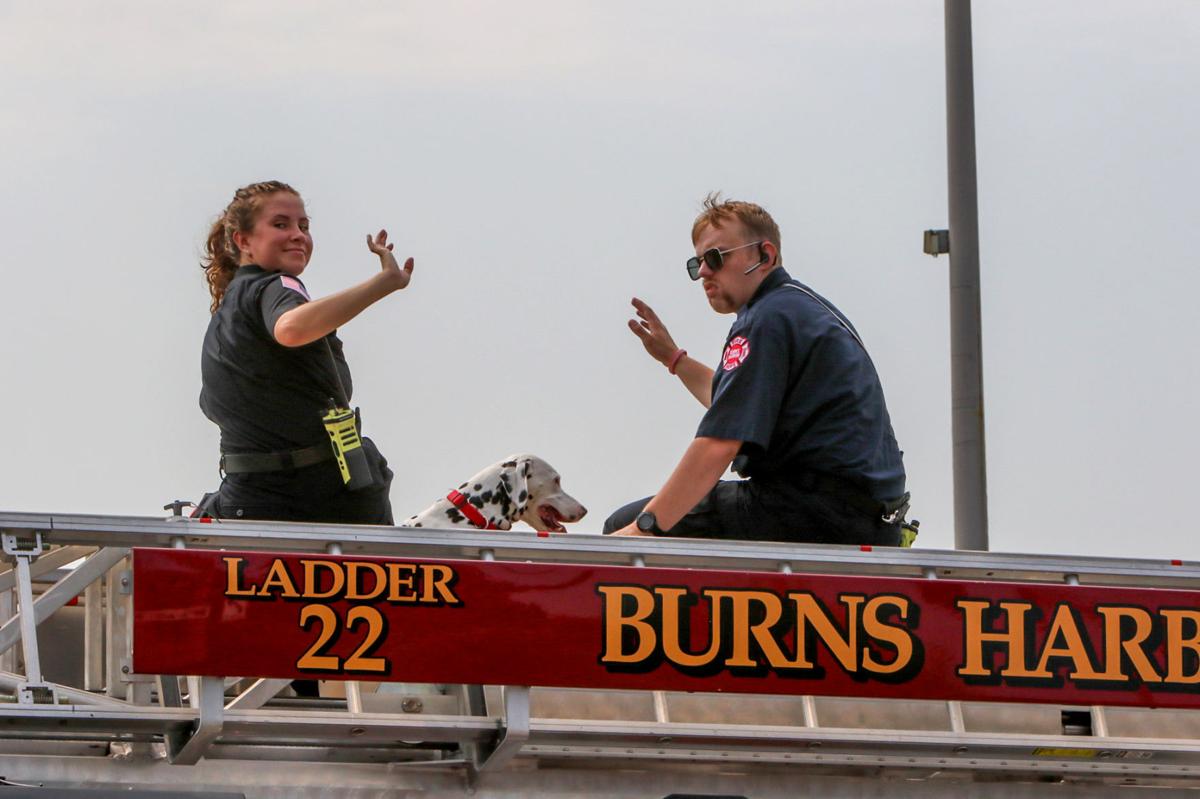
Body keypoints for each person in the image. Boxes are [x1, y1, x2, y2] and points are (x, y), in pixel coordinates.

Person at [604, 194, 909, 545]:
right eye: (697, 263)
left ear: (765, 255)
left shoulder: (765, 320)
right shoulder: (799, 310)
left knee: (622, 525)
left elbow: (720, 441)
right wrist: (674, 359)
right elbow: (734, 405)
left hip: (810, 512)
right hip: (864, 516)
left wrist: (644, 528)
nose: (703, 272)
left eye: (716, 257)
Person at [197, 180, 413, 526]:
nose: (298, 234)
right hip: (323, 504)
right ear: (243, 240)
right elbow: (291, 329)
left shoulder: (228, 313)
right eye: (280, 224)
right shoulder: (278, 285)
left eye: (304, 226)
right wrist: (383, 283)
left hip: (248, 501)